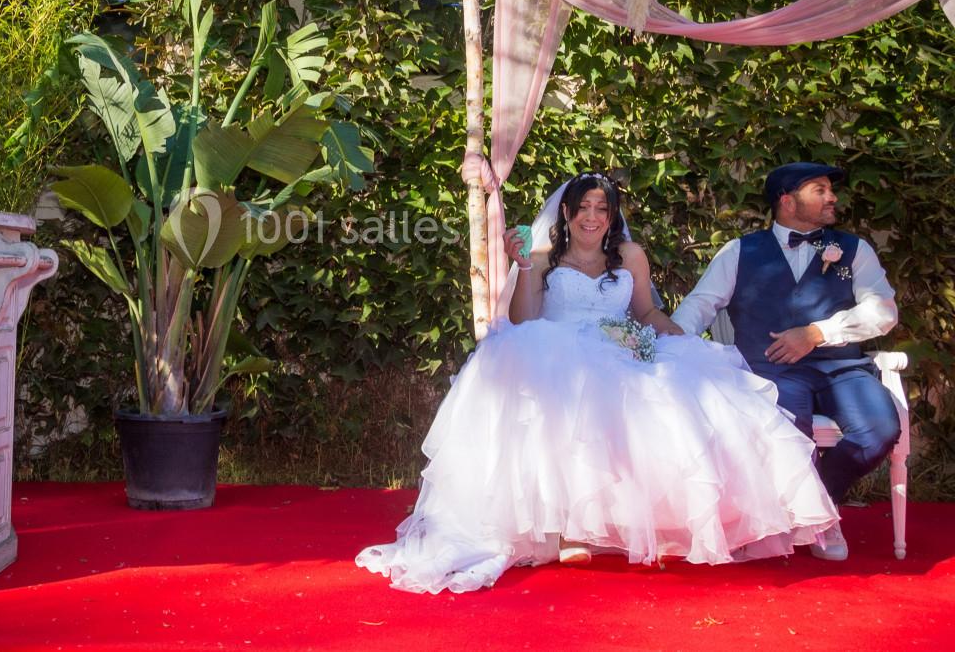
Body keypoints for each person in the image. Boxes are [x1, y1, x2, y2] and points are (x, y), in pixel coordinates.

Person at [356, 172, 839, 594]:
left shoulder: (629, 254)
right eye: (583, 208)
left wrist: (685, 341)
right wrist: (522, 266)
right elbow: (524, 320)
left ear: (612, 217)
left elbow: (645, 311)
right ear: (566, 213)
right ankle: (565, 531)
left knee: (684, 400)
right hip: (554, 350)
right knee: (571, 401)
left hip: (620, 348)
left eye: (602, 209)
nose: (592, 217)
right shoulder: (543, 256)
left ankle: (625, 526)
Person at [670, 162, 900, 561]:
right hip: (772, 371)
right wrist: (666, 347)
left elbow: (883, 312)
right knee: (790, 434)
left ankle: (819, 510)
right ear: (787, 200)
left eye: (831, 190)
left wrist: (816, 333)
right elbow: (700, 305)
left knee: (880, 429)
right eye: (820, 189)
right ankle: (814, 521)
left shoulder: (853, 249)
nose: (832, 198)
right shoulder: (740, 251)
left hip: (842, 368)